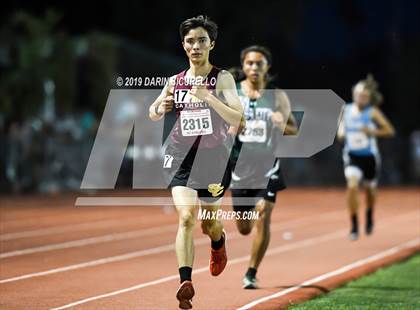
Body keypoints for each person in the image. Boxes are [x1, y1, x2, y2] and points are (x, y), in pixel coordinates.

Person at [149, 16, 243, 309]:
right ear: (184, 45)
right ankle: (185, 282)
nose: (195, 46)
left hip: (213, 159)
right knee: (187, 217)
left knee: (208, 223)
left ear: (211, 44)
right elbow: (153, 112)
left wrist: (209, 98)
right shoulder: (174, 81)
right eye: (190, 41)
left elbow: (238, 117)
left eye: (202, 40)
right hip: (180, 157)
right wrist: (158, 107)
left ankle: (218, 242)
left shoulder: (222, 78)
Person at [228, 45, 297, 289]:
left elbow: (293, 129)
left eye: (259, 63)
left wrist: (281, 124)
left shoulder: (278, 96)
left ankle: (251, 272)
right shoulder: (234, 93)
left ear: (267, 67)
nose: (254, 68)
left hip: (267, 167)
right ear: (244, 66)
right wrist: (230, 127)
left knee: (263, 213)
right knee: (244, 228)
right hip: (240, 167)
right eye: (250, 63)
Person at [337, 74, 395, 240]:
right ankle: (354, 226)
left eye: (363, 96)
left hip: (369, 157)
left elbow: (390, 130)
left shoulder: (372, 113)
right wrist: (340, 131)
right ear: (353, 94)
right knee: (352, 186)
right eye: (357, 95)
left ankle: (369, 215)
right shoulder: (346, 109)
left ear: (368, 98)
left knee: (370, 190)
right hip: (352, 155)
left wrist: (372, 132)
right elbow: (341, 124)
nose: (359, 98)